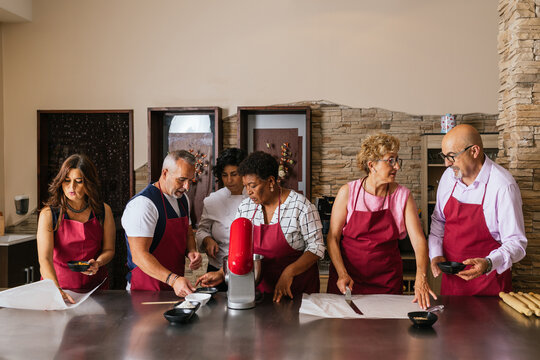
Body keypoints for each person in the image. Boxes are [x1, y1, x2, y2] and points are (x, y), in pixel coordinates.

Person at [197, 151, 325, 302]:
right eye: (246, 186)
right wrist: (221, 273)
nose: (248, 192)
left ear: (271, 181)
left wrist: (289, 272)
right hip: (260, 294)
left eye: (253, 186)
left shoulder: (301, 206)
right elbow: (239, 251)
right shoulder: (245, 208)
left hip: (297, 291)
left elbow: (316, 247)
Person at [326, 133, 435, 309]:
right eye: (390, 160)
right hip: (348, 280)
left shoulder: (403, 196)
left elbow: (419, 240)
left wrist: (421, 277)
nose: (397, 166)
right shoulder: (348, 192)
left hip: (387, 282)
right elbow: (332, 238)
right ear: (372, 165)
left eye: (397, 160)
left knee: (385, 333)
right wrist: (341, 273)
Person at [429, 124, 527, 296]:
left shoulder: (503, 186)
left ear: (474, 151)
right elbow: (439, 221)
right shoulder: (448, 178)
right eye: (444, 156)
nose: (446, 164)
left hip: (489, 285)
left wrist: (488, 263)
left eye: (452, 157)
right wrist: (435, 254)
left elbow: (516, 243)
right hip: (453, 284)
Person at [122, 150, 202, 297]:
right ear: (165, 173)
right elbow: (139, 255)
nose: (187, 187)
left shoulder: (183, 199)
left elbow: (188, 231)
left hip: (174, 287)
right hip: (144, 290)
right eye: (182, 179)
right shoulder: (143, 205)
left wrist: (191, 251)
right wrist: (173, 279)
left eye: (190, 180)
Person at [37, 154, 115, 303]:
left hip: (96, 289)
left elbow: (109, 250)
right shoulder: (49, 214)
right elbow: (45, 259)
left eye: (78, 182)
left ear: (89, 184)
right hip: (59, 288)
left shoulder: (103, 211)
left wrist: (98, 263)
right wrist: (56, 290)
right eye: (67, 181)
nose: (71, 187)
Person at [195, 148, 248, 291]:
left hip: (247, 268)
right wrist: (207, 239)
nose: (229, 180)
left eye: (234, 174)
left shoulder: (255, 198)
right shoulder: (213, 200)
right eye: (224, 175)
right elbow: (202, 230)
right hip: (217, 267)